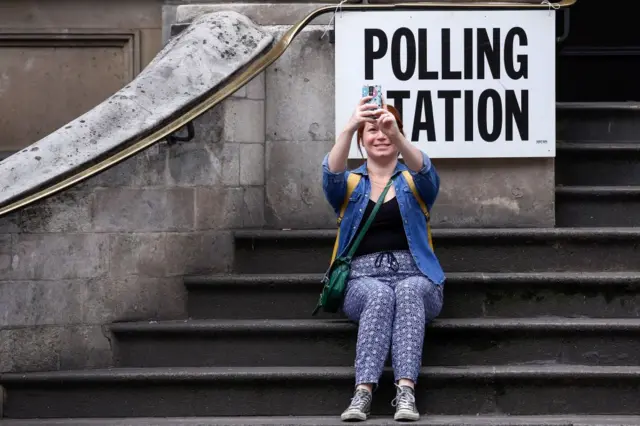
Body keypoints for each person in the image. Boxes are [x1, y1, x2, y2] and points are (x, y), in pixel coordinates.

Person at [321, 95, 445, 422]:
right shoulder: (350, 183)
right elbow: (329, 177)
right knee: (378, 295)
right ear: (361, 141)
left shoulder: (412, 181)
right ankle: (363, 392)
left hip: (418, 275)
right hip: (361, 279)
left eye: (386, 130)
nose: (379, 135)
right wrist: (349, 127)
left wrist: (398, 134)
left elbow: (428, 173)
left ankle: (406, 391)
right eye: (371, 130)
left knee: (406, 291)